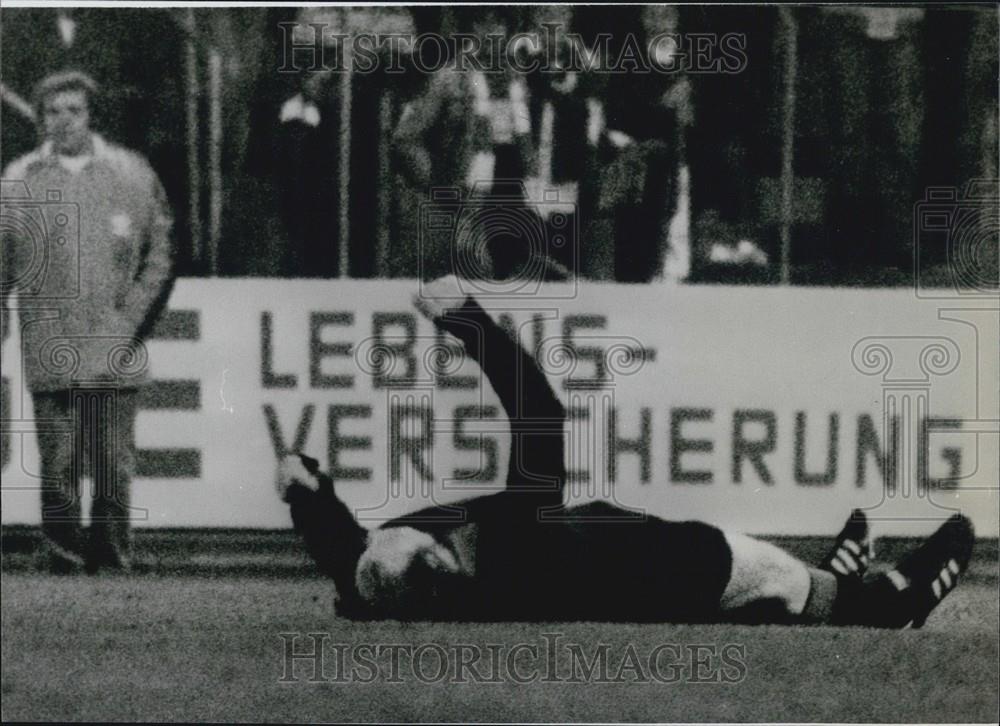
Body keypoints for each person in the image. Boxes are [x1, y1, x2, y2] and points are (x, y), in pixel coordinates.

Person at [276, 276, 974, 626]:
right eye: (401, 534)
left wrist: (304, 488)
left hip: (627, 563)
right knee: (794, 589)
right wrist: (466, 319)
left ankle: (832, 574)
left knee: (779, 582)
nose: (394, 525)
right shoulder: (511, 544)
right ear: (440, 555)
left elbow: (349, 557)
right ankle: (881, 599)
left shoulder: (396, 586)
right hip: (686, 567)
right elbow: (540, 415)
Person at [1, 70, 175, 573]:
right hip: (49, 339)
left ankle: (113, 557)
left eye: (74, 110)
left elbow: (160, 252)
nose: (64, 121)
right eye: (53, 112)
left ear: (90, 114)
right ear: (40, 119)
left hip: (112, 339)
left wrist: (132, 319)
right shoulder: (18, 180)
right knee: (57, 463)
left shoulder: (131, 173)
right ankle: (62, 555)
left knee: (113, 463)